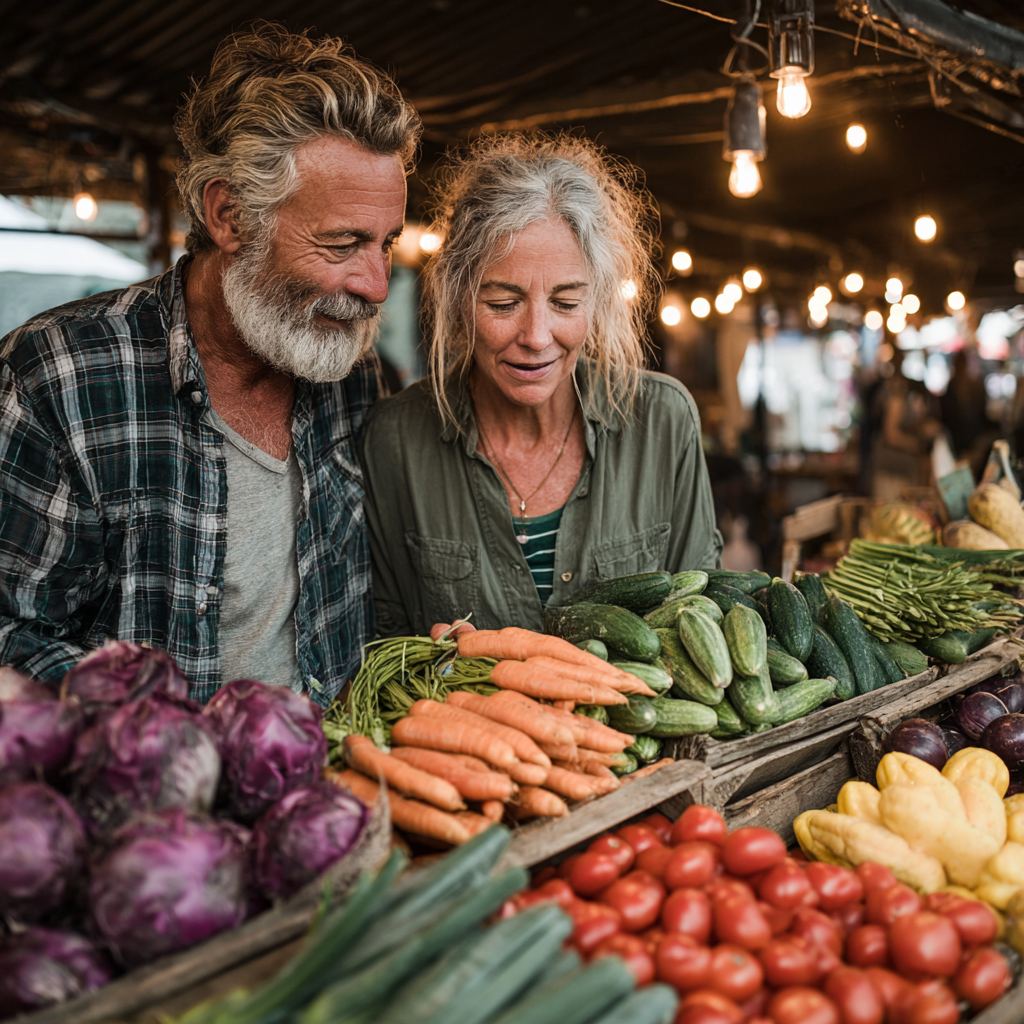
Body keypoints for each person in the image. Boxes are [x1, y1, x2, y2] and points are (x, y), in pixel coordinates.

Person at [0, 24, 421, 703]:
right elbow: (9, 635)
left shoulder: (358, 380)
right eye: (343, 244)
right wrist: (173, 740)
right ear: (229, 214)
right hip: (148, 795)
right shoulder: (60, 379)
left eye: (386, 243)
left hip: (339, 793)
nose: (376, 284)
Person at [362, 133, 722, 637]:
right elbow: (384, 642)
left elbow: (705, 619)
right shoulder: (394, 440)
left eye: (566, 303)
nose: (535, 337)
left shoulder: (661, 421)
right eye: (503, 304)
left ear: (595, 303)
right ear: (460, 299)